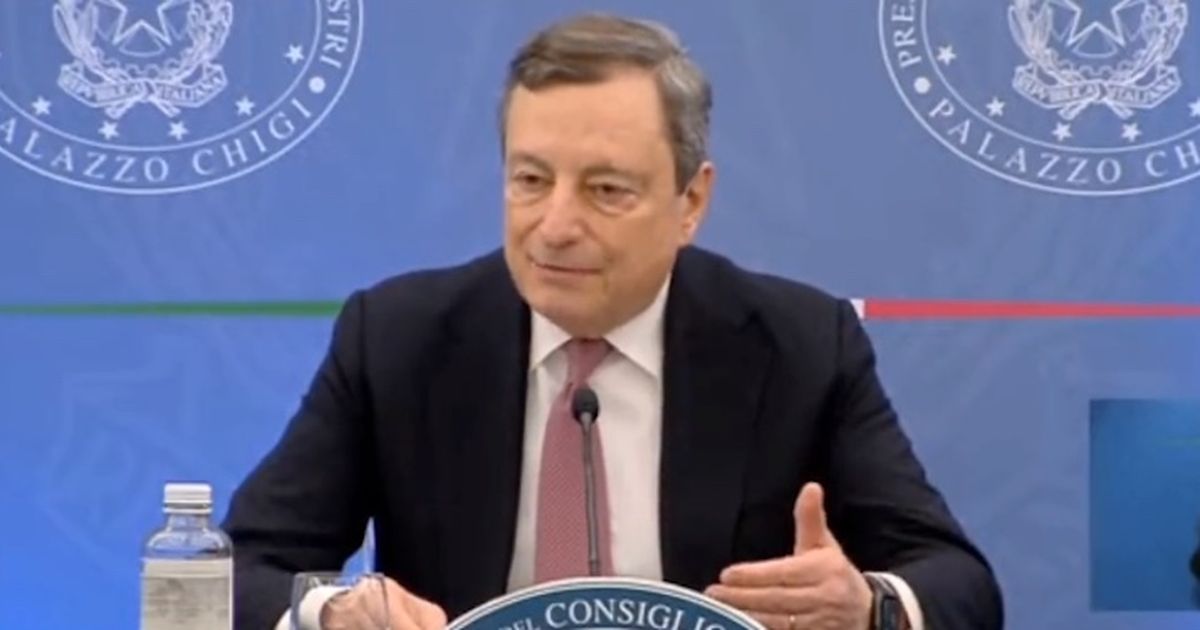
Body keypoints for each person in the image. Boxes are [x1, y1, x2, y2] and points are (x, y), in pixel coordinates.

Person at [223, 12, 1003, 630]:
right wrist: (332, 613)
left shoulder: (800, 345)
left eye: (605, 191)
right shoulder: (399, 338)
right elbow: (235, 573)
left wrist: (869, 607)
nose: (555, 226)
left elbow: (958, 583)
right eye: (531, 180)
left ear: (691, 201)